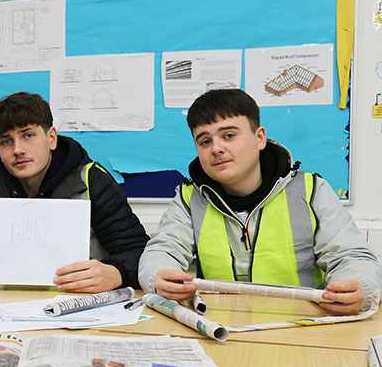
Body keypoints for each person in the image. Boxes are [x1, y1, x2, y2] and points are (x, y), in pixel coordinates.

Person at [138, 88, 382, 314]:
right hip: (221, 325)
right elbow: (162, 250)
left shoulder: (310, 191)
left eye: (229, 135)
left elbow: (352, 257)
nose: (217, 148)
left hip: (302, 326)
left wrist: (357, 286)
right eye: (205, 141)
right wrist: (157, 277)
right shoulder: (189, 198)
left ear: (259, 138)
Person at [0, 92, 149, 292]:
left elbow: (139, 252)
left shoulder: (92, 180)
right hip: (6, 308)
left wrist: (117, 272)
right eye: (6, 141)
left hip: (80, 306)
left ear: (52, 138)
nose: (18, 150)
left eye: (28, 135)